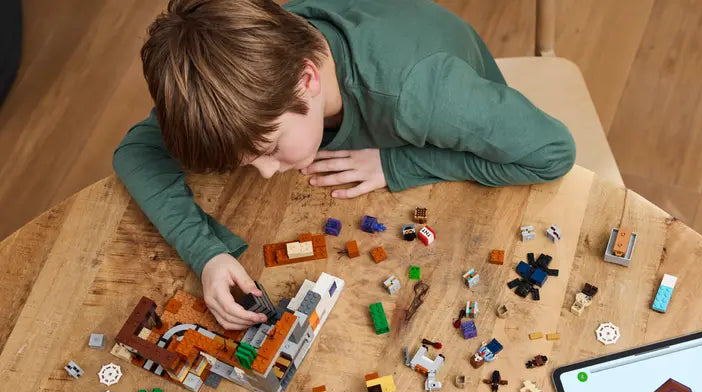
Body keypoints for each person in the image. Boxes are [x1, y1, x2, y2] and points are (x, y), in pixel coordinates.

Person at [113, 0, 576, 329]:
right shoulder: (245, 78)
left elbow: (553, 153)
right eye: (247, 161)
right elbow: (134, 153)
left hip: (461, 97)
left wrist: (397, 164)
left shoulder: (424, 97)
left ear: (307, 79)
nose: (267, 173)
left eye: (270, 148)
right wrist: (207, 253)